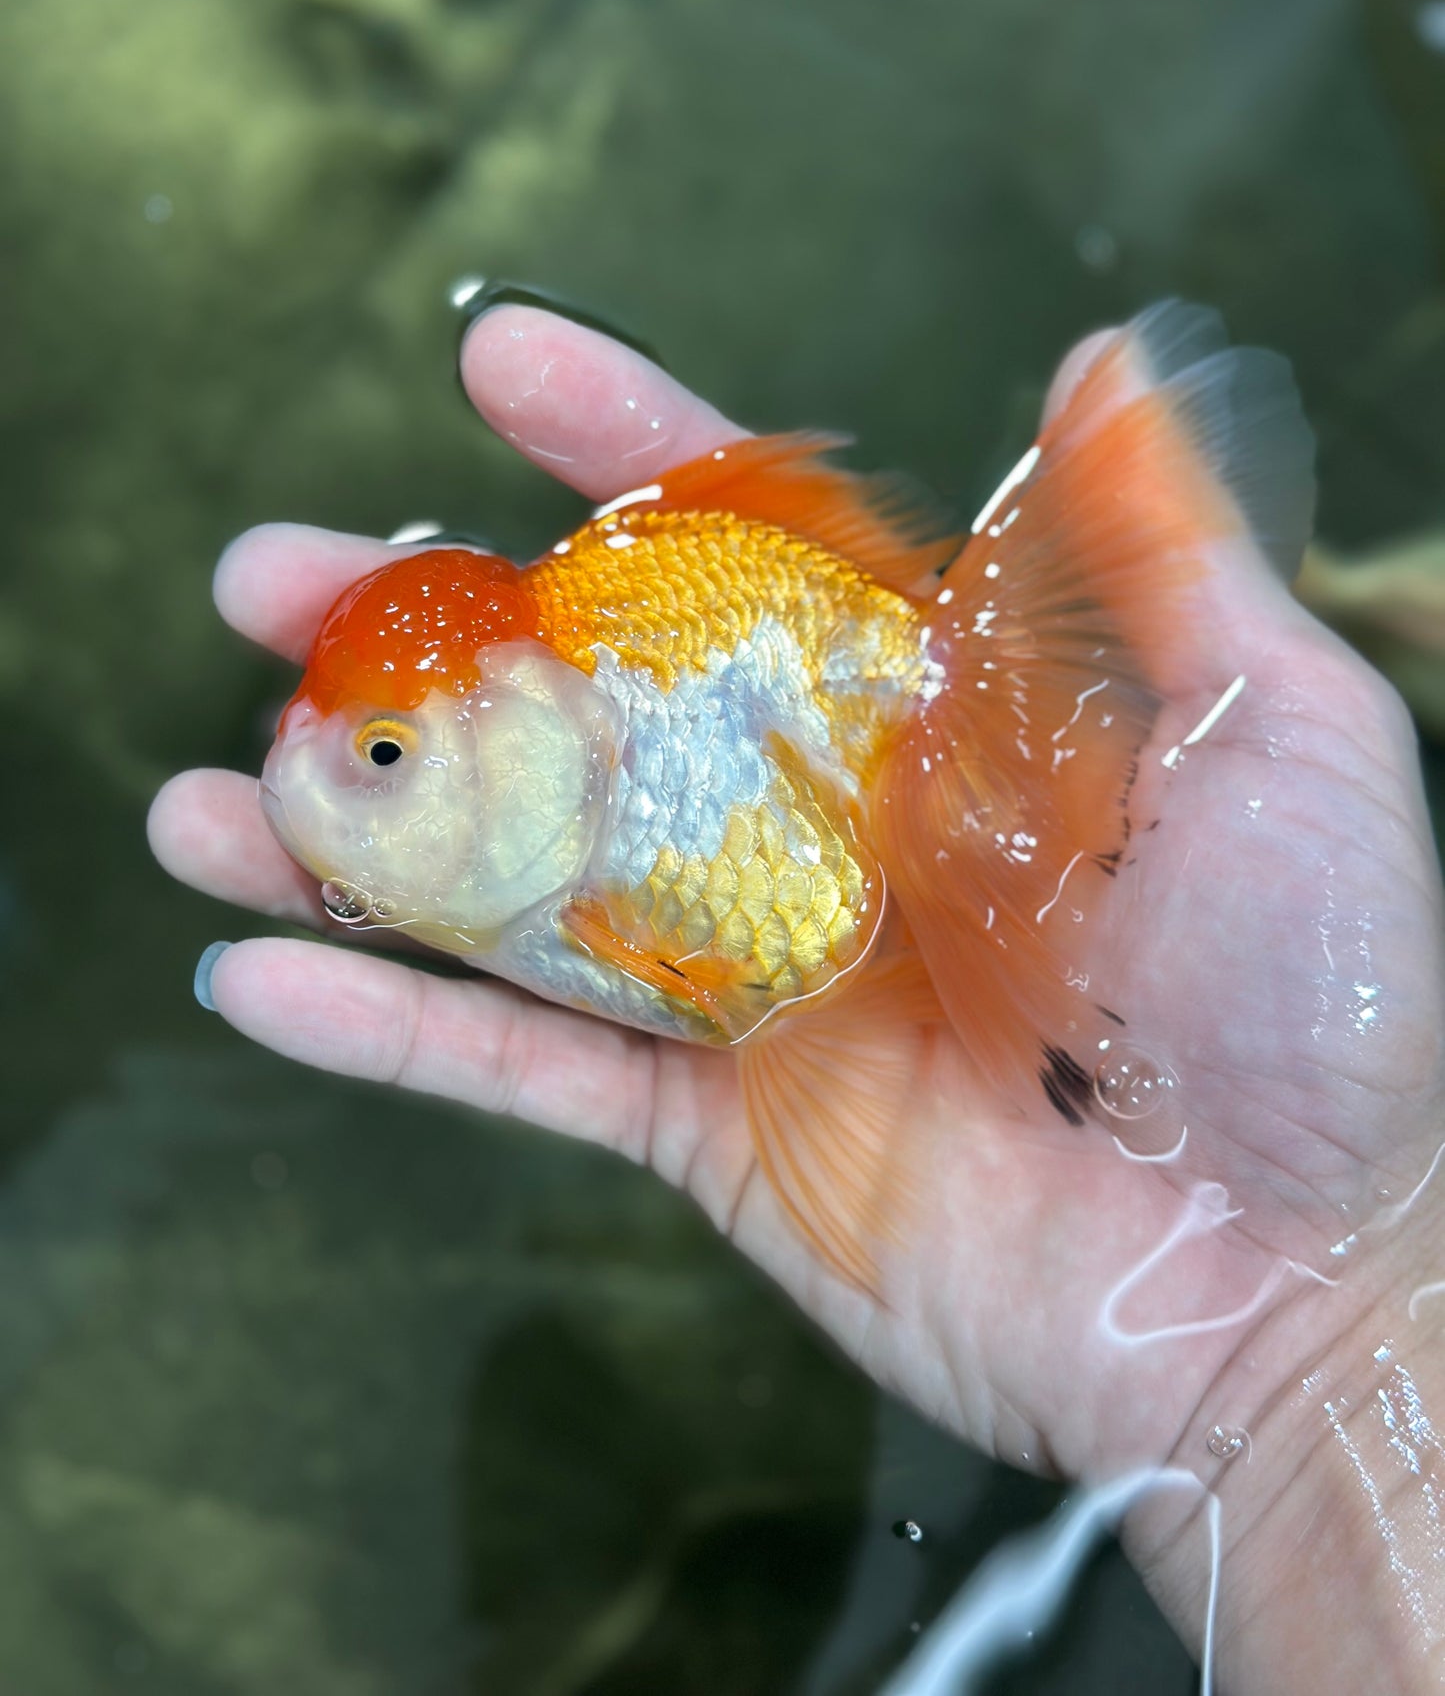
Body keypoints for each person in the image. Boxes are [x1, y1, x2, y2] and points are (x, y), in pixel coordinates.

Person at [149, 302, 1445, 1693]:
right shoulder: (539, 825)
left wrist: (1328, 1321)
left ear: (535, 728)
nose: (318, 782)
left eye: (386, 755)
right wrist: (1327, 1348)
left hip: (847, 721)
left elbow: (767, 999)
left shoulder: (624, 769)